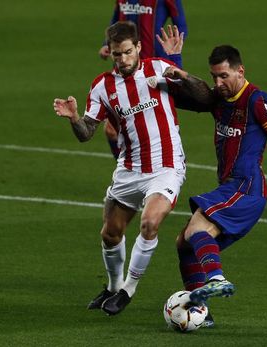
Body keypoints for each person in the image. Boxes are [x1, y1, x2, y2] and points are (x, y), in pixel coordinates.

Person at [163, 45, 267, 326]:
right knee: (184, 244)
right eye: (214, 77)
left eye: (223, 76)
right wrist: (174, 62)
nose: (218, 83)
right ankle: (203, 314)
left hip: (247, 187)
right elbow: (181, 98)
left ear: (240, 71)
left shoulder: (258, 100)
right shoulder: (219, 99)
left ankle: (217, 279)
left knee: (197, 228)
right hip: (232, 187)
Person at [53, 22, 186, 316]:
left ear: (138, 47)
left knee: (150, 223)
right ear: (110, 53)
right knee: (110, 234)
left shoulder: (157, 69)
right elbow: (87, 132)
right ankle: (113, 287)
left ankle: (128, 289)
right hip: (129, 168)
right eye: (117, 55)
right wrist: (74, 118)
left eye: (128, 52)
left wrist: (176, 62)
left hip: (166, 166)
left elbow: (192, 91)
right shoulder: (102, 86)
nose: (123, 59)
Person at [99, 0, 188, 159]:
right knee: (111, 130)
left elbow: (181, 25)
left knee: (161, 122)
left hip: (153, 72)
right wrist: (107, 44)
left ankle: (174, 158)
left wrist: (174, 46)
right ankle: (127, 169)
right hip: (124, 72)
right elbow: (115, 21)